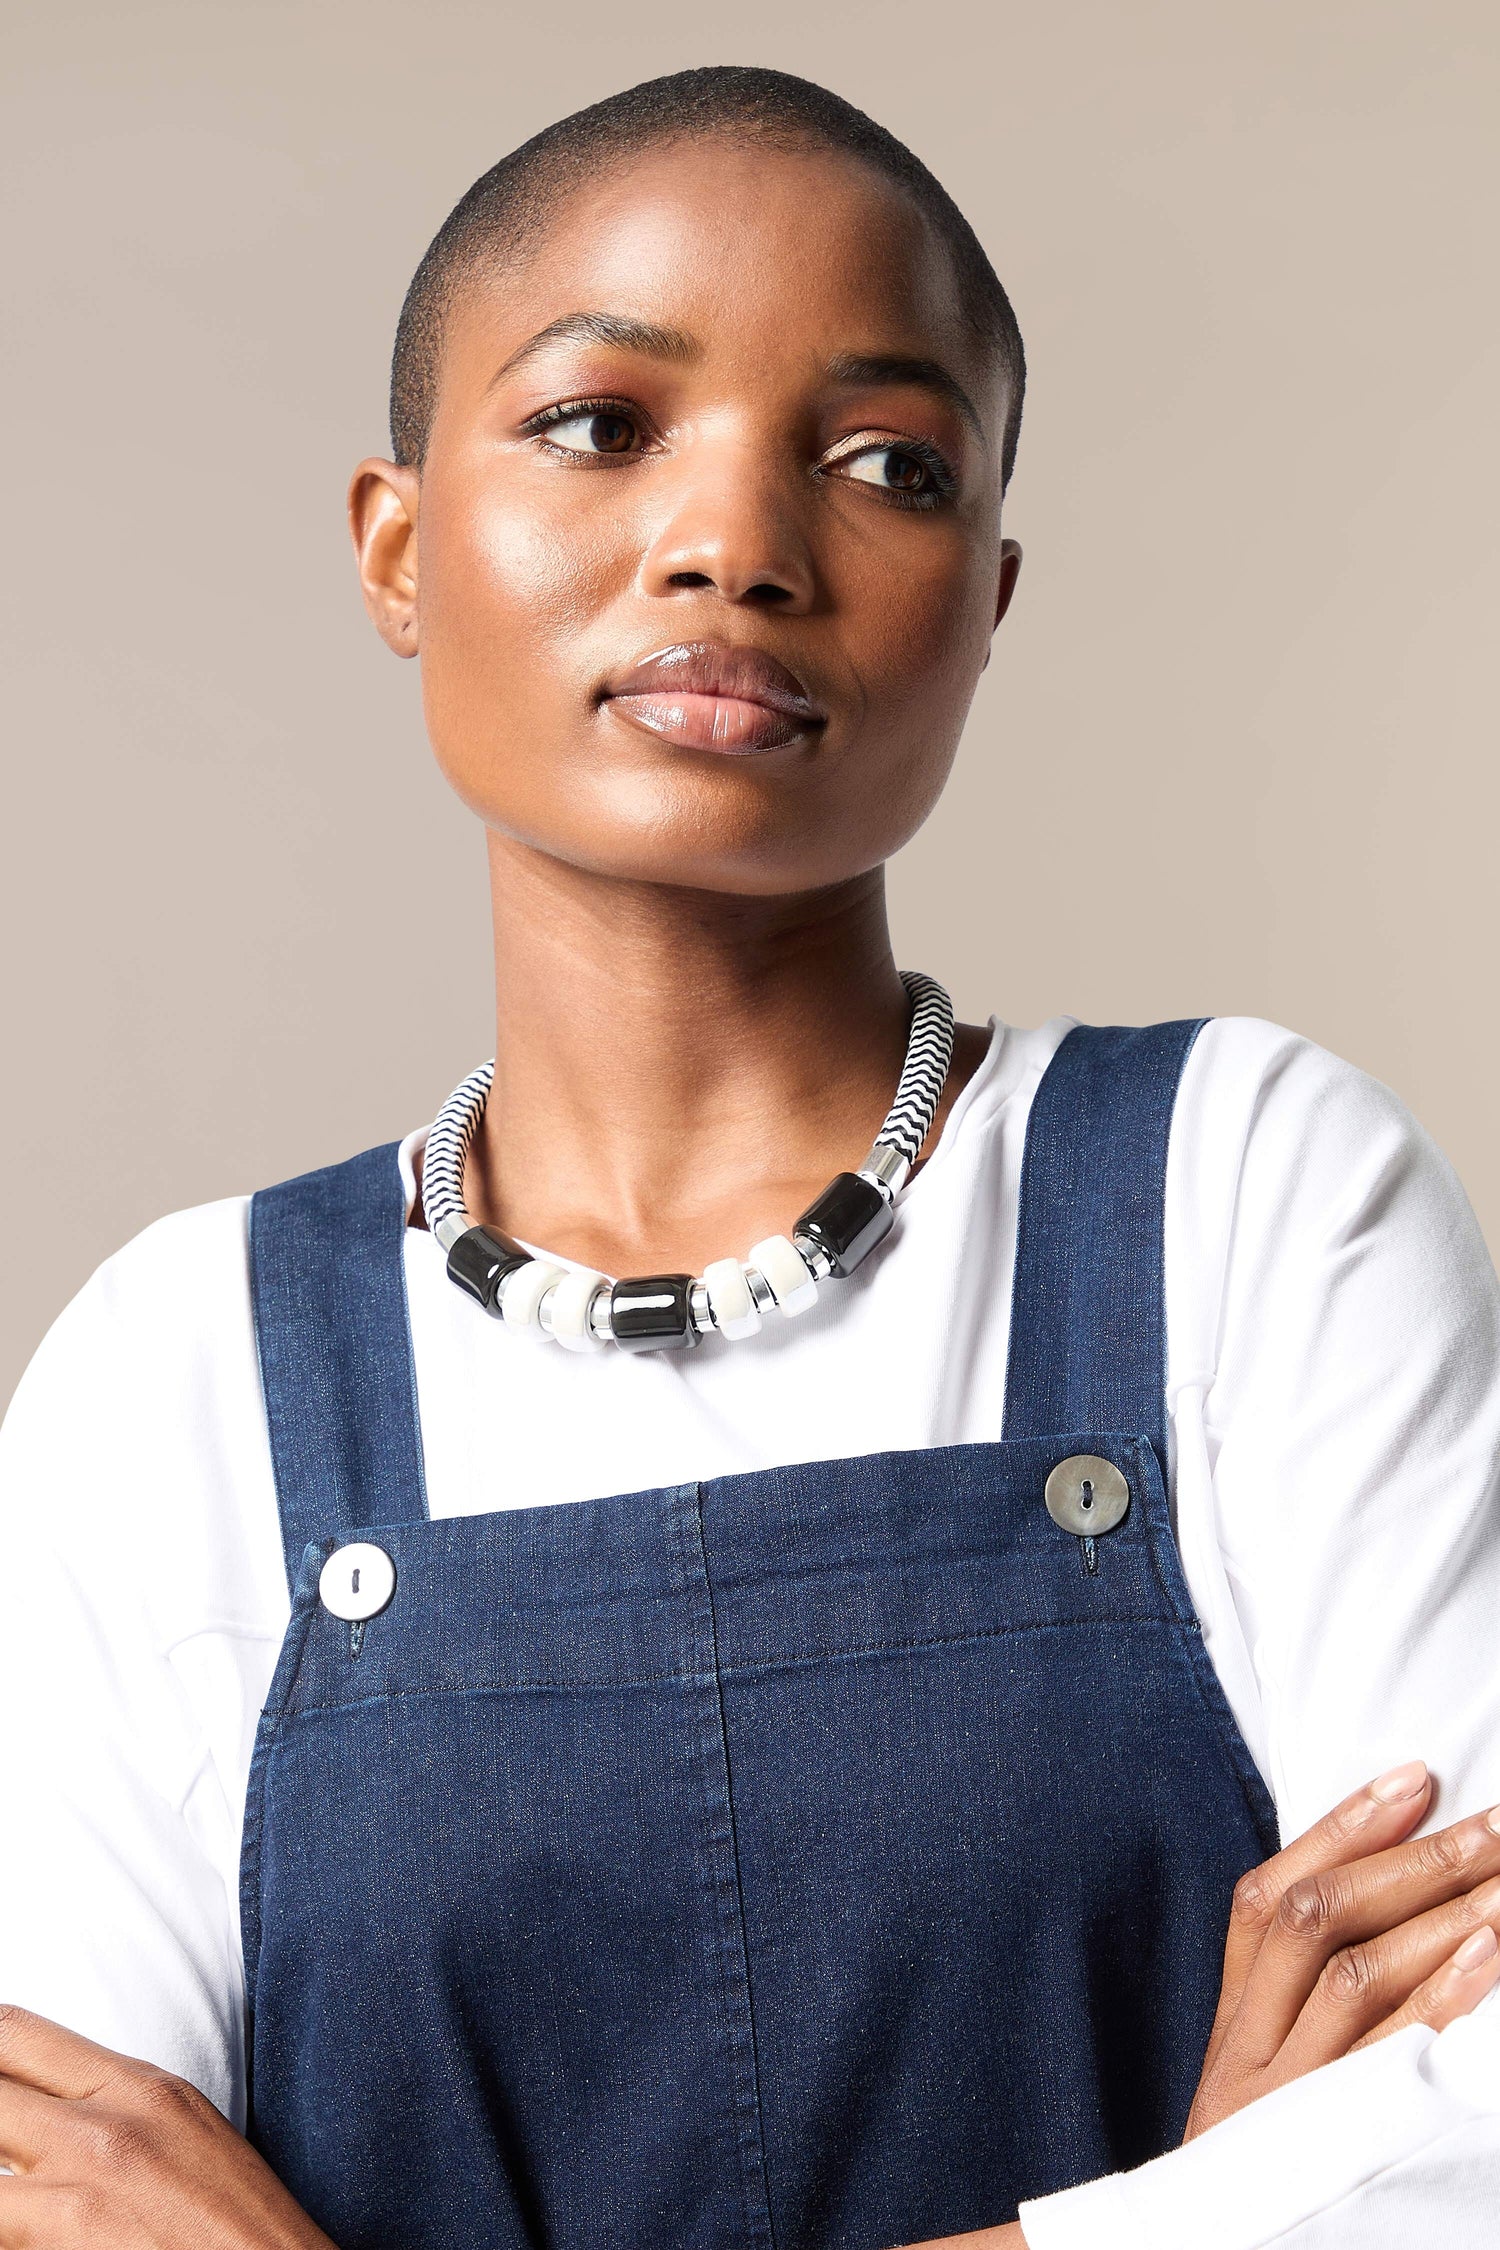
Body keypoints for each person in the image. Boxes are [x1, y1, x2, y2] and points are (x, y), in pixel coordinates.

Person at [1, 61, 1498, 2250]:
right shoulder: (172, 1369)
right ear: (400, 550)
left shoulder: (1248, 1186)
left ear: (981, 604)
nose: (737, 544)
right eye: (602, 426)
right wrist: (1198, 2215)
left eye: (885, 463)